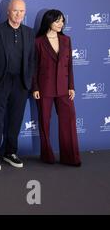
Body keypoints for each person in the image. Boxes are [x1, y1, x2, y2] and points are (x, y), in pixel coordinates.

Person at [0, 0, 35, 172]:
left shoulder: (29, 32)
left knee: (15, 119)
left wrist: (28, 81)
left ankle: (10, 152)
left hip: (21, 82)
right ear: (8, 11)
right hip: (0, 81)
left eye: (22, 11)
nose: (18, 14)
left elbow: (32, 60)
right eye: (15, 10)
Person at [32, 9, 81, 166]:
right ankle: (47, 155)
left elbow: (70, 66)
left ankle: (71, 157)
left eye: (62, 21)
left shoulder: (66, 40)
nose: (61, 24)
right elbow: (33, 67)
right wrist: (35, 88)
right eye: (57, 21)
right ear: (49, 22)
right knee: (44, 122)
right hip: (44, 88)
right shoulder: (38, 42)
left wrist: (71, 86)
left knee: (69, 120)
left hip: (64, 88)